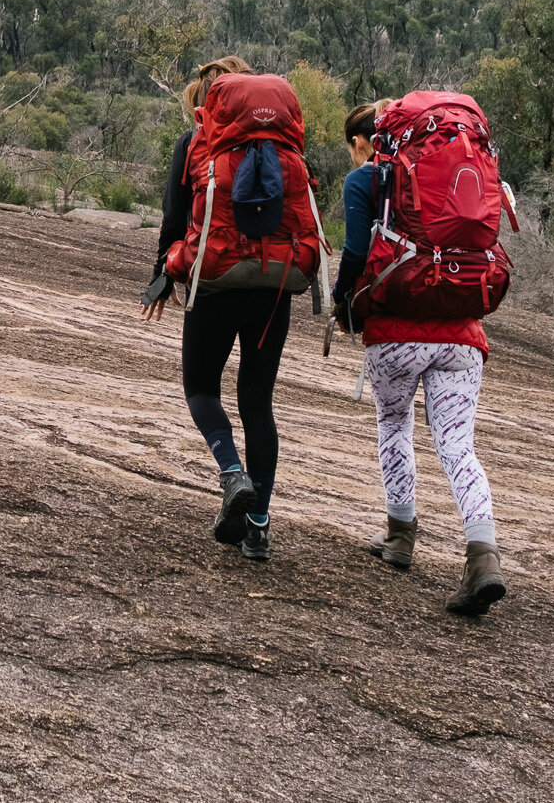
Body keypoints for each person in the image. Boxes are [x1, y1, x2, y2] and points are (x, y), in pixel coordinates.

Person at [332, 100, 509, 617]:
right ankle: (483, 558)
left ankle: (401, 536)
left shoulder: (368, 179)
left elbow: (355, 254)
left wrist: (346, 308)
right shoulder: (461, 172)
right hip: (461, 334)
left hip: (396, 332)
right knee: (458, 447)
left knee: (394, 423)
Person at [151, 55, 295, 563]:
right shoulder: (281, 142)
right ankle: (259, 528)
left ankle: (231, 473)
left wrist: (160, 279)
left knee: (200, 389)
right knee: (258, 405)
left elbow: (173, 219)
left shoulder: (194, 143)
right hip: (273, 287)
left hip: (212, 285)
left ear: (206, 100)